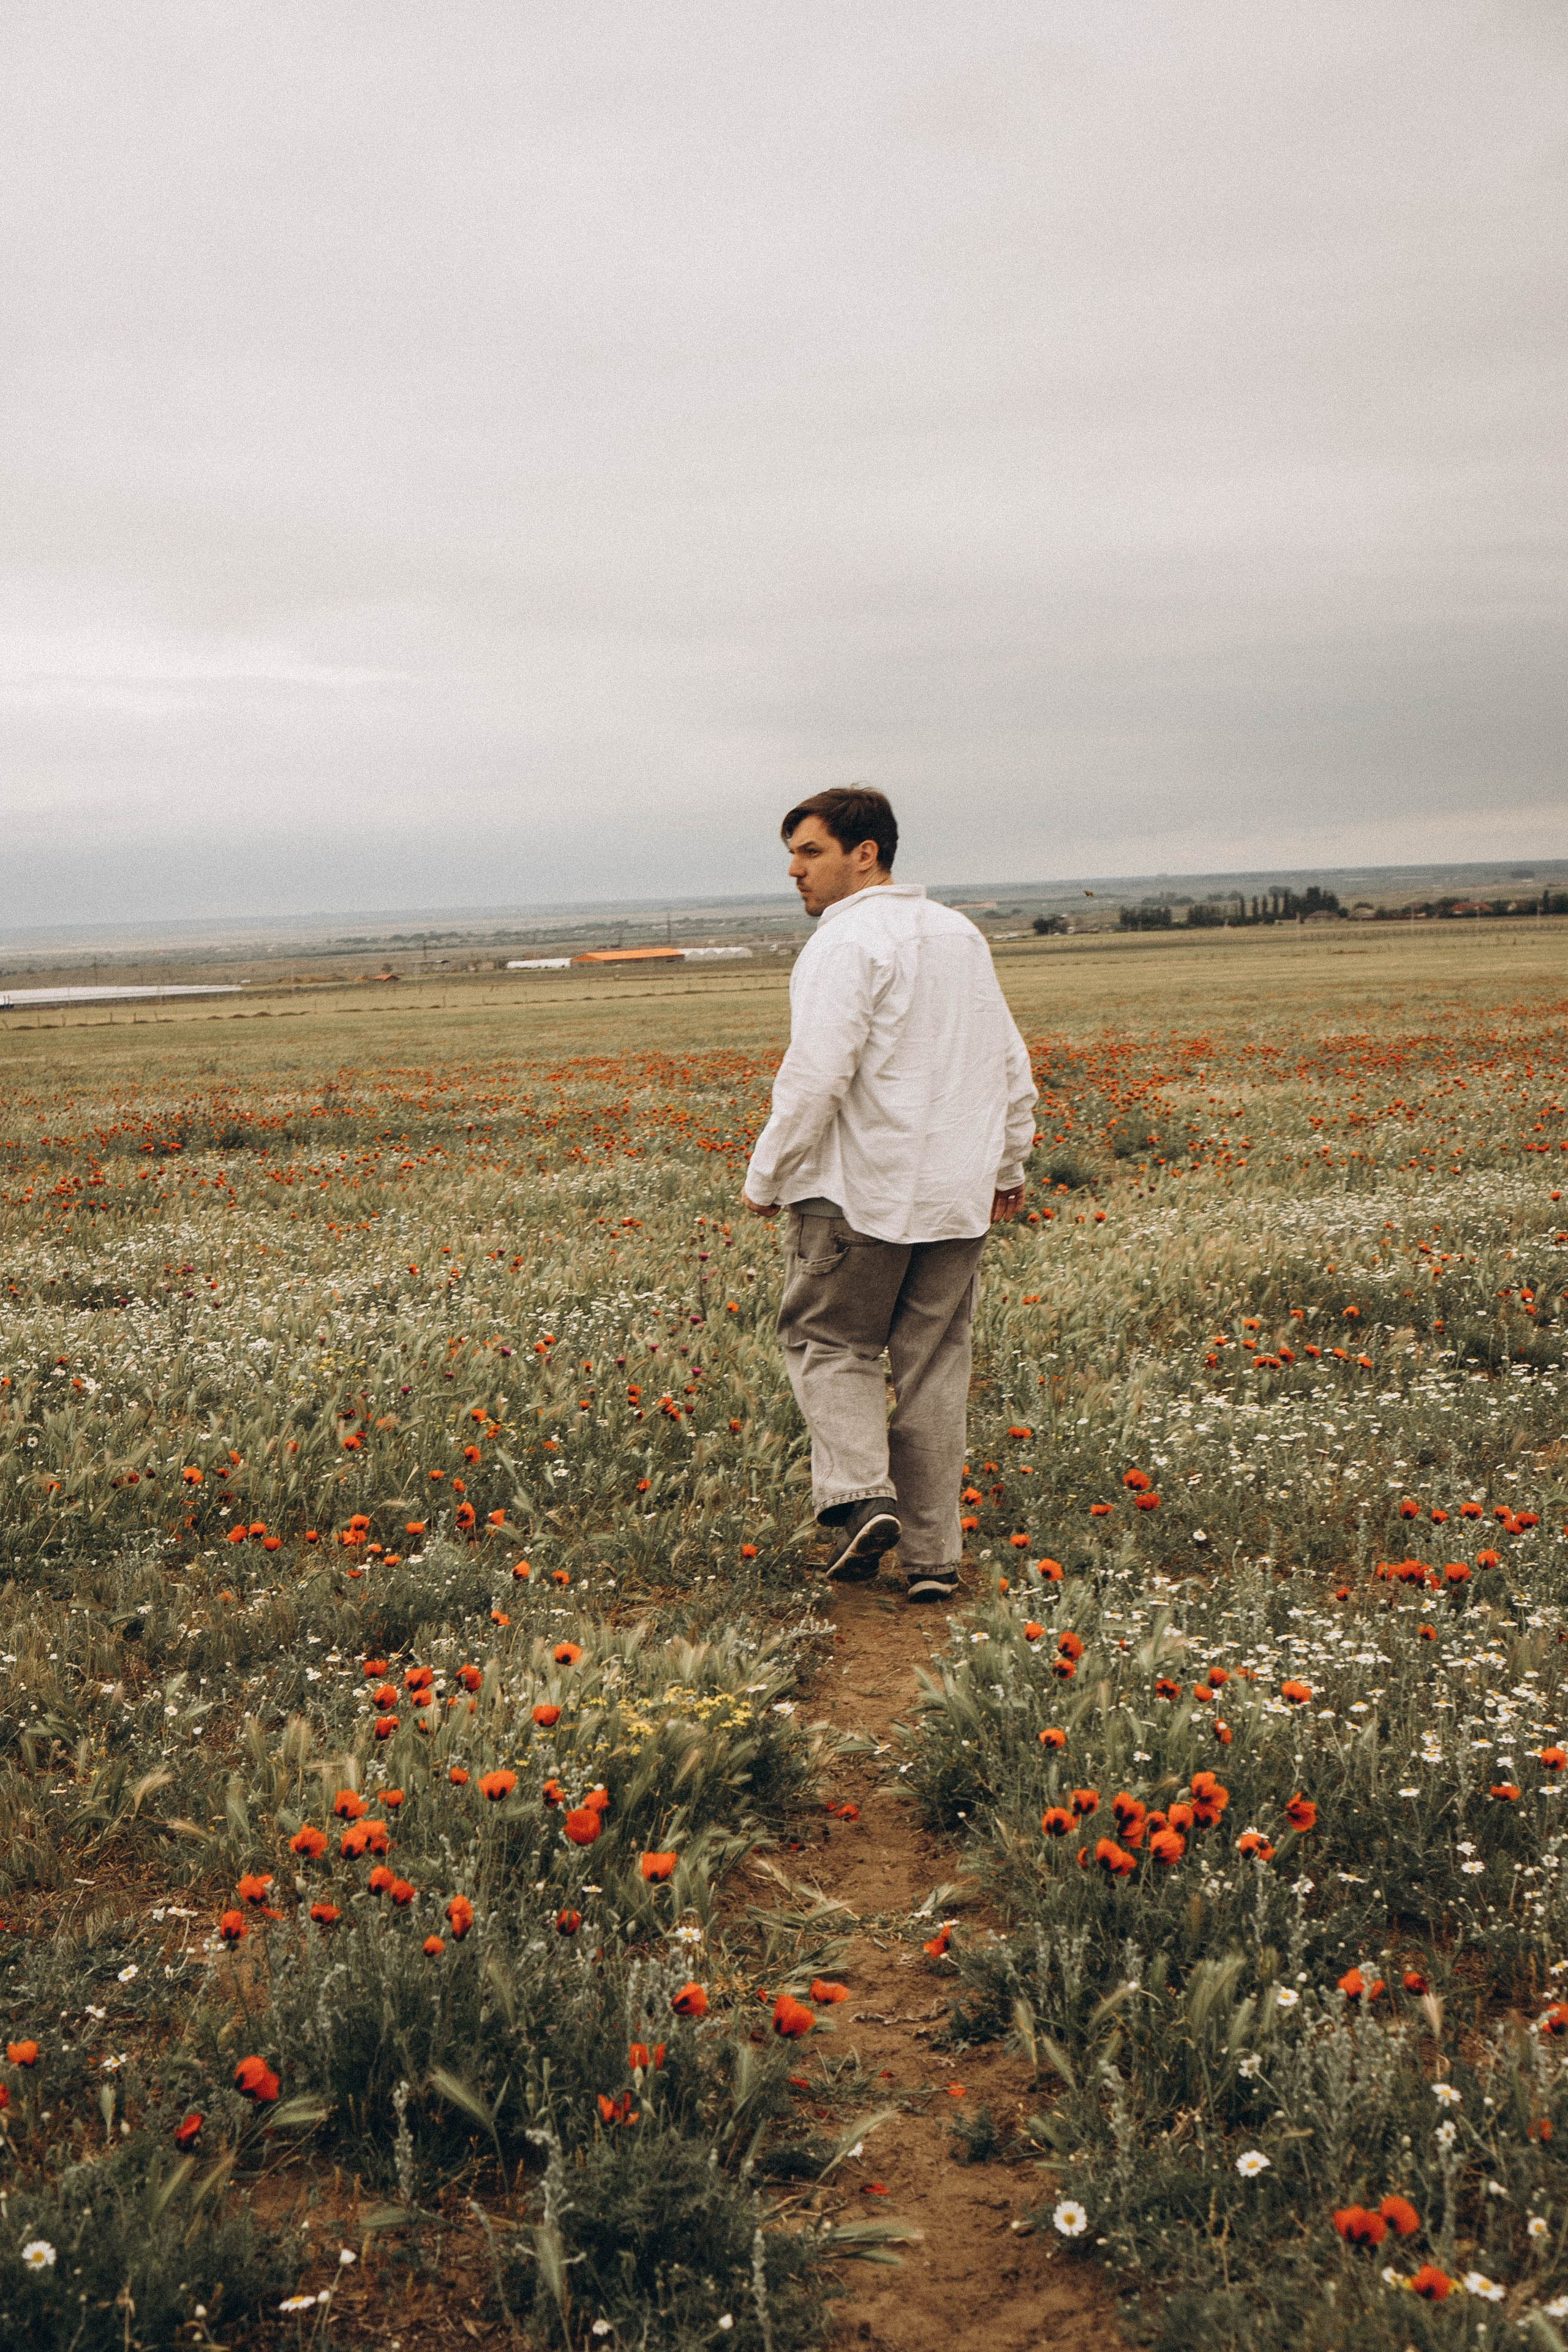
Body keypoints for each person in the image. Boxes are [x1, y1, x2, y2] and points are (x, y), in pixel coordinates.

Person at [742, 786, 1037, 1602]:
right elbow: (1008, 1058)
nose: (795, 872)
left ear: (863, 853)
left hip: (857, 1191)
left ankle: (862, 1498)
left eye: (810, 852)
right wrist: (1009, 1165)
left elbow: (817, 1074)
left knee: (828, 1343)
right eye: (793, 856)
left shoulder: (844, 945)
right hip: (955, 1196)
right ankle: (935, 1559)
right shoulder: (959, 935)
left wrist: (768, 1174)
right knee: (936, 1368)